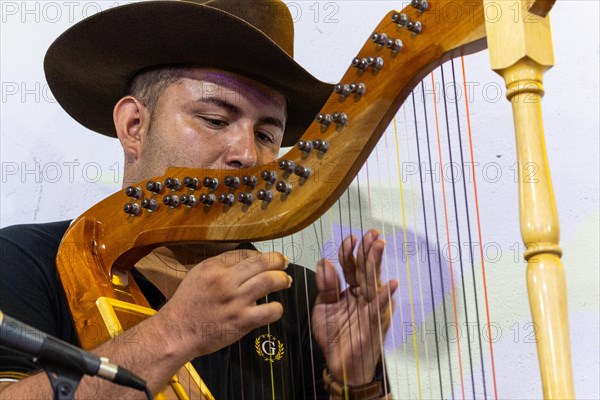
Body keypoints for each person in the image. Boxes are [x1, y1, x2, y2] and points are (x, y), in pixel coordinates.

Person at [0, 1, 398, 398]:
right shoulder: (27, 260)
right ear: (134, 126)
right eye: (215, 120)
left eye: (265, 136)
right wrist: (176, 332)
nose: (245, 154)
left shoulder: (303, 299)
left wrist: (355, 381)